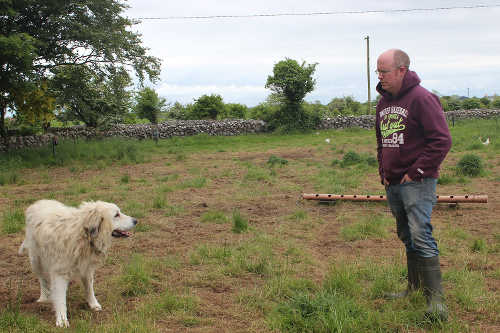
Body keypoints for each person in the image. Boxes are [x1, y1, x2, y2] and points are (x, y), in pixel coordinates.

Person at [375, 49, 452, 321]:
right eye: (378, 71)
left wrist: (416, 171)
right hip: (393, 182)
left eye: (384, 71)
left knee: (421, 235)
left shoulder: (422, 98)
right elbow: (381, 140)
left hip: (417, 182)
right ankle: (414, 288)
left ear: (402, 70)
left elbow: (442, 141)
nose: (380, 76)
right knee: (407, 235)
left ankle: (436, 303)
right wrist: (383, 171)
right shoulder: (383, 103)